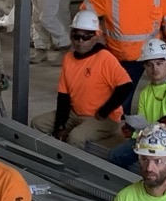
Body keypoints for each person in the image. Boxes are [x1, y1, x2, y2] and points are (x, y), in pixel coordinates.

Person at [100, 37, 166, 165]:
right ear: (144, 68)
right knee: (115, 156)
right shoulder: (145, 93)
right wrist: (133, 133)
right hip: (153, 140)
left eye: (159, 63)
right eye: (149, 64)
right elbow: (145, 126)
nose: (154, 69)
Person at [52, 10, 134, 150]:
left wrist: (104, 111)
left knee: (76, 137)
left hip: (102, 118)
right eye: (76, 36)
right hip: (75, 113)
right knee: (38, 124)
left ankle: (73, 164)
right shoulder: (68, 58)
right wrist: (60, 126)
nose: (80, 41)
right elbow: (63, 97)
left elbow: (126, 86)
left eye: (86, 37)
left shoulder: (105, 58)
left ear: (96, 37)